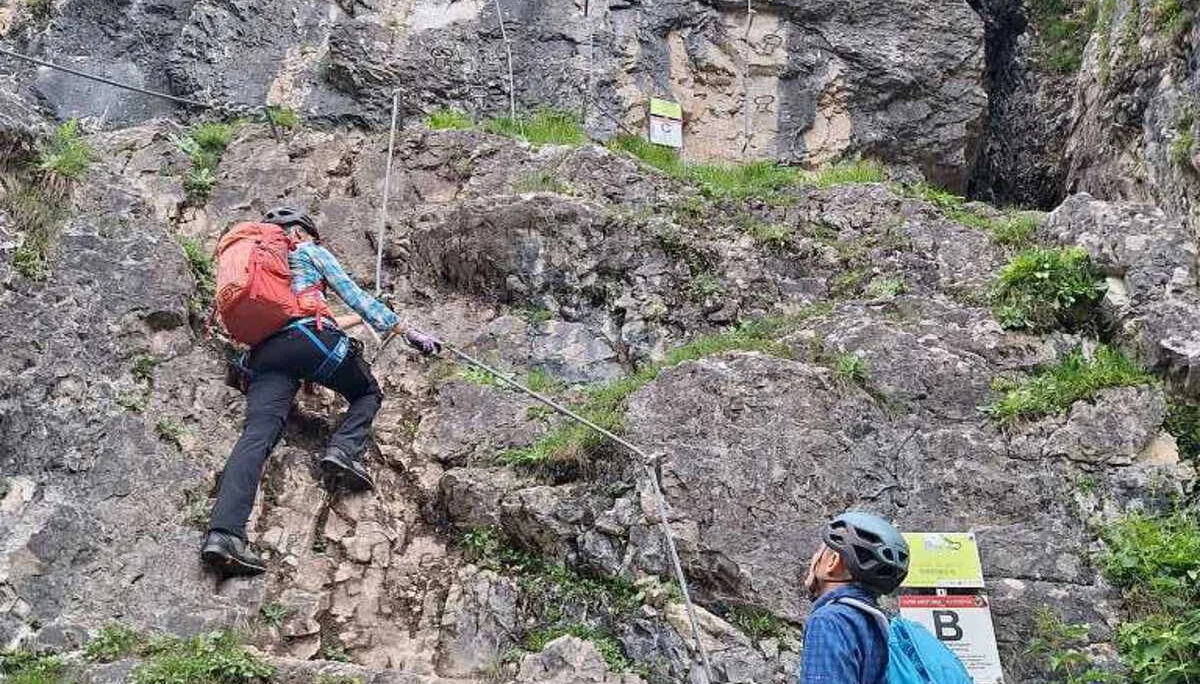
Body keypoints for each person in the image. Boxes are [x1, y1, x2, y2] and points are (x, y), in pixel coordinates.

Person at [200, 206, 441, 576]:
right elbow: (354, 296)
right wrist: (406, 331)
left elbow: (311, 313)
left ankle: (224, 534)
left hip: (266, 356)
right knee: (367, 393)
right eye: (311, 236)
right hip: (308, 340)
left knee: (256, 437)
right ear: (297, 234)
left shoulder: (262, 269)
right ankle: (343, 451)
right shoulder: (307, 252)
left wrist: (356, 320)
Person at [799, 511, 910, 684]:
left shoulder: (829, 621)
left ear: (832, 562)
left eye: (819, 552)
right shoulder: (885, 624)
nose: (813, 559)